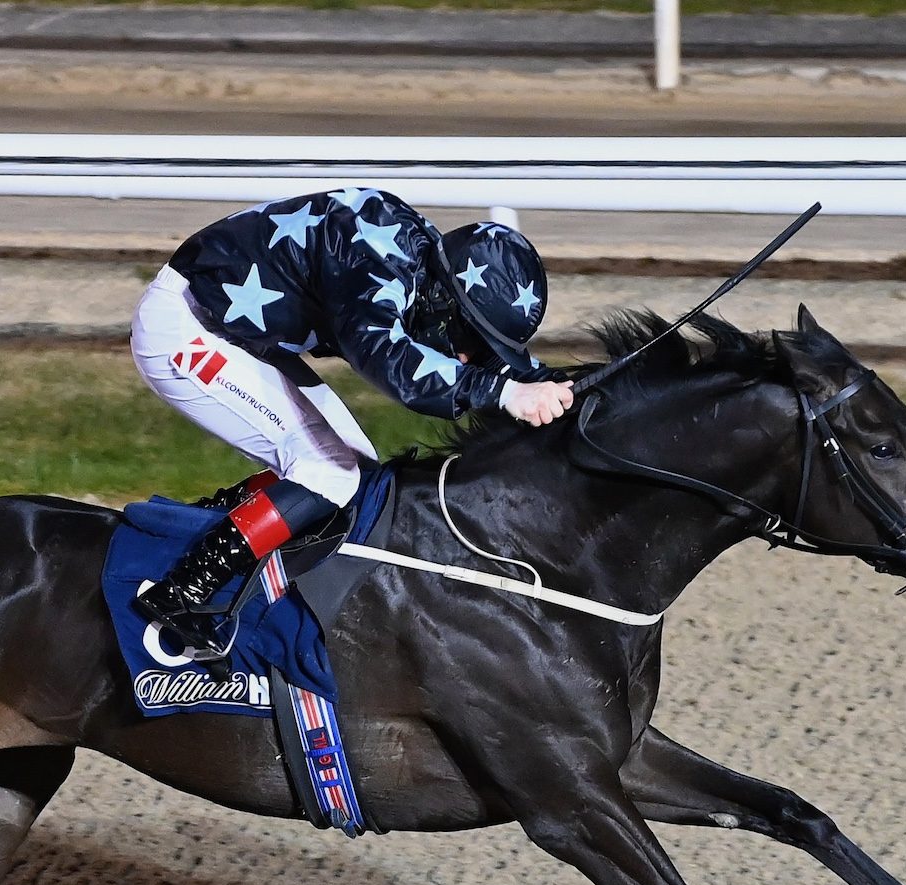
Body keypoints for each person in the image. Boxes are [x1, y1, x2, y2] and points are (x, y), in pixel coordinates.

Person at [130, 186, 576, 660]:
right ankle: (183, 589)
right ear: (446, 298)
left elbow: (483, 363)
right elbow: (391, 361)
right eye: (469, 340)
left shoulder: (423, 264)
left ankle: (207, 529)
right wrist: (504, 393)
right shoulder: (375, 262)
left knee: (352, 470)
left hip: (231, 330)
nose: (465, 356)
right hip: (185, 329)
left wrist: (551, 383)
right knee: (328, 472)